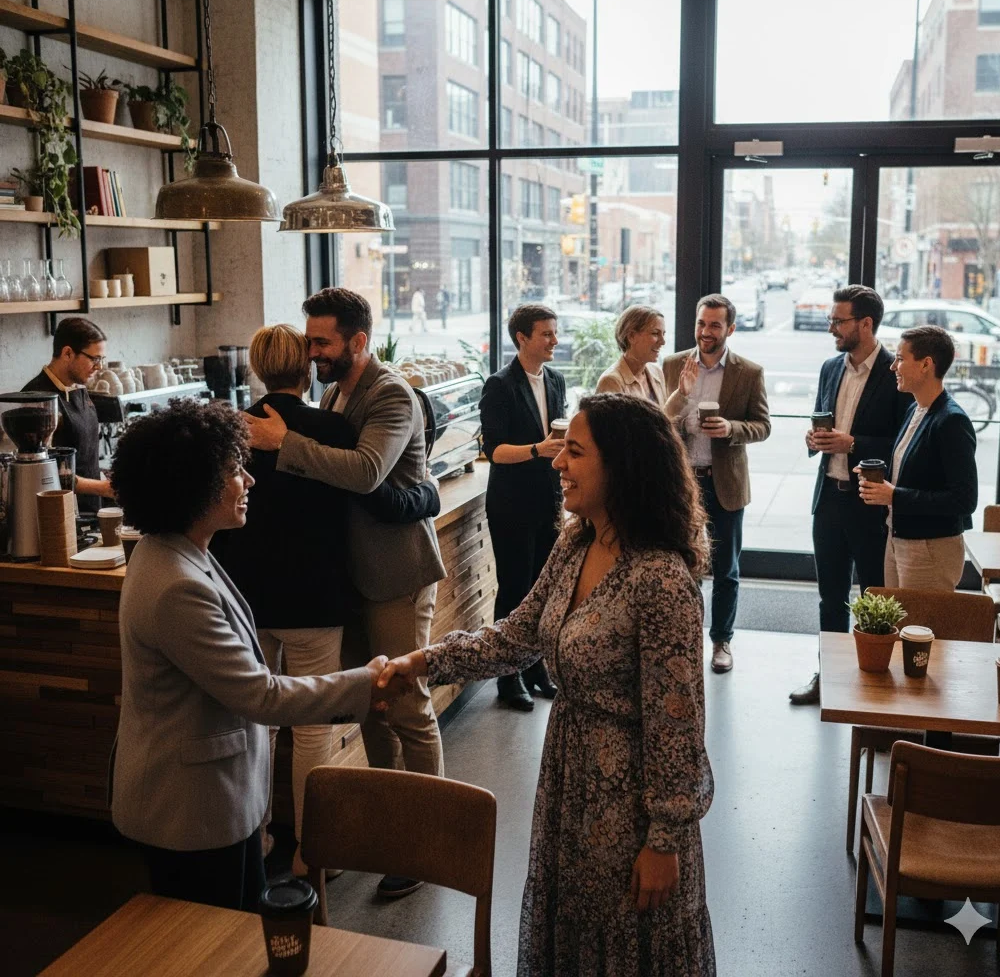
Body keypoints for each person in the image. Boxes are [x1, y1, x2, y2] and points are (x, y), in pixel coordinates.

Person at [378, 394, 716, 977]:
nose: (558, 460)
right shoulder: (577, 542)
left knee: (627, 945)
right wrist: (425, 662)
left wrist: (664, 841)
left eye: (576, 451)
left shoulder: (660, 580)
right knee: (575, 932)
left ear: (623, 466)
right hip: (569, 778)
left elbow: (677, 727)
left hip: (630, 803)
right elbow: (517, 637)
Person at [109, 398, 396, 912]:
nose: (250, 480)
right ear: (194, 486)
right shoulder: (176, 585)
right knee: (216, 952)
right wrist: (365, 683)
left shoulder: (175, 551)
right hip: (190, 812)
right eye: (235, 470)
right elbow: (260, 695)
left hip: (212, 799)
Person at [209, 324, 439, 876]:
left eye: (323, 342)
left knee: (258, 721)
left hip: (249, 597)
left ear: (256, 369)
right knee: (317, 724)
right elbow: (362, 489)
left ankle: (259, 839)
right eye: (310, 347)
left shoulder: (232, 429)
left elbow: (369, 478)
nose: (317, 355)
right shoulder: (332, 419)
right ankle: (315, 852)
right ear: (305, 367)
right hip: (316, 594)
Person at [790, 286, 913, 706]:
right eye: (832, 320)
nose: (831, 328)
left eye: (838, 321)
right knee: (830, 595)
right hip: (828, 498)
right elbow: (824, 419)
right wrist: (815, 438)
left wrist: (853, 443)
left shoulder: (896, 372)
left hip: (868, 503)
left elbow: (901, 443)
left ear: (865, 324)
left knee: (875, 596)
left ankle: (874, 683)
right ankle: (828, 676)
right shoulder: (830, 367)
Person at [663, 294, 770, 674]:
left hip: (724, 483)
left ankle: (721, 641)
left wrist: (731, 428)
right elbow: (659, 423)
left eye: (714, 325)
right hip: (682, 484)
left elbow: (763, 426)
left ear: (731, 329)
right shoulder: (674, 365)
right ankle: (682, 638)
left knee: (726, 568)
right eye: (701, 324)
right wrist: (681, 399)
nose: (705, 332)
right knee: (679, 568)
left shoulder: (749, 372)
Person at [479, 304, 566, 712]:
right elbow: (493, 450)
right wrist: (538, 449)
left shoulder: (556, 379)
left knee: (541, 592)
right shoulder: (499, 385)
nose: (554, 340)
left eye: (554, 333)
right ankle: (507, 676)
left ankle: (535, 667)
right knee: (513, 590)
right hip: (511, 503)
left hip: (548, 500)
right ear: (522, 339)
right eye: (546, 334)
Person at [858, 325, 977, 590]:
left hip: (929, 548)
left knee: (922, 629)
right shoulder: (916, 408)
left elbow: (964, 500)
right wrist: (880, 479)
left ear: (926, 365)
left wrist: (894, 496)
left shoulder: (952, 421)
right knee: (898, 628)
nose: (893, 367)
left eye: (900, 359)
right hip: (898, 538)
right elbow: (917, 471)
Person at [22, 316, 114, 513]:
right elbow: (46, 472)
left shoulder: (78, 388)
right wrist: (104, 489)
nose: (98, 367)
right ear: (67, 353)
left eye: (101, 360)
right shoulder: (38, 399)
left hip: (90, 510)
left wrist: (106, 478)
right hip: (60, 515)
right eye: (94, 359)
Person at [596, 305, 668, 405]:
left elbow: (664, 417)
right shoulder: (611, 381)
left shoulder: (657, 373)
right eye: (655, 333)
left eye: (663, 334)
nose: (663, 341)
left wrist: (681, 394)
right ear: (631, 336)